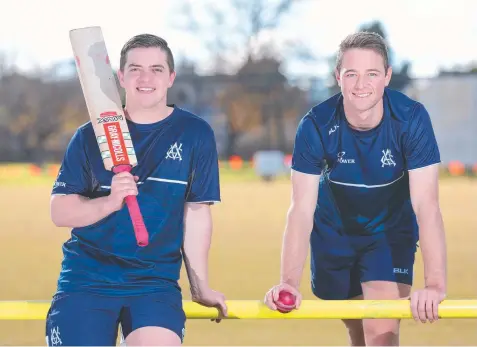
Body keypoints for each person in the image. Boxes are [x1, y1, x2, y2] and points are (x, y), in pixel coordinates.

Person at [264, 31, 447, 346]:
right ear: (338, 77)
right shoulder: (316, 124)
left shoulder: (411, 119)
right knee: (357, 331)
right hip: (333, 233)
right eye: (352, 74)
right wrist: (288, 283)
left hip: (389, 233)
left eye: (372, 74)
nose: (361, 84)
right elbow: (301, 208)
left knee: (380, 333)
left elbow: (427, 205)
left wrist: (434, 285)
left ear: (387, 76)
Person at [46, 33, 227, 346]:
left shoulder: (195, 133)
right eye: (135, 69)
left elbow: (196, 213)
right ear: (121, 77)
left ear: (170, 77)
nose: (146, 78)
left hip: (154, 284)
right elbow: (60, 211)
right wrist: (110, 202)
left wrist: (201, 286)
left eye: (156, 69)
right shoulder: (89, 136)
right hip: (86, 280)